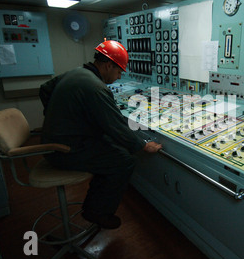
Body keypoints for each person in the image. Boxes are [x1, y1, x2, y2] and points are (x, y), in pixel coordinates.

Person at [39, 39, 162, 229]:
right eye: (119, 71)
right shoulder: (96, 88)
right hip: (63, 150)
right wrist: (143, 145)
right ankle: (98, 212)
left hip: (54, 140)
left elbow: (45, 89)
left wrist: (61, 118)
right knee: (124, 161)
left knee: (110, 148)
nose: (119, 77)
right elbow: (116, 126)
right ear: (108, 65)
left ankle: (93, 204)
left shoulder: (76, 73)